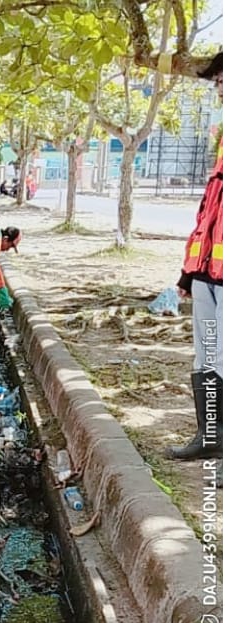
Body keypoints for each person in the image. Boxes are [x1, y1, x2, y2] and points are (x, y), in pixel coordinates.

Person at [170, 50, 222, 462]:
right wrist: (191, 271)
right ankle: (210, 437)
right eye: (217, 81)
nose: (219, 87)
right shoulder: (222, 138)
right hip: (209, 276)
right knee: (207, 355)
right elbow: (209, 213)